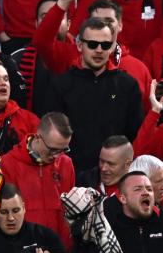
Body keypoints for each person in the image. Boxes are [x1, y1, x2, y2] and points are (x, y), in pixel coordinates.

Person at [36, 17, 143, 172]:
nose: (99, 50)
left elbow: (135, 134)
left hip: (114, 174)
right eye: (92, 44)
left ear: (112, 48)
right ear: (80, 45)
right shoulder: (60, 85)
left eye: (105, 45)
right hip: (70, 172)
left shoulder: (128, 85)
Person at [0, 111, 75, 248]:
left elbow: (69, 214)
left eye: (63, 149)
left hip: (59, 252)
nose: (57, 156)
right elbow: (6, 216)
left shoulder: (66, 164)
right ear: (38, 137)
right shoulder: (8, 164)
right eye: (53, 150)